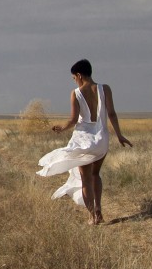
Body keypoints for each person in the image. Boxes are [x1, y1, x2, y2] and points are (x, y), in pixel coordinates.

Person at [37, 58, 133, 225]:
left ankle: (91, 216)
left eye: (74, 77)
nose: (75, 80)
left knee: (85, 178)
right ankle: (99, 211)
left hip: (83, 140)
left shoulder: (76, 93)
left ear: (79, 75)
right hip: (101, 139)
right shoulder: (105, 89)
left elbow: (73, 120)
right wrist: (119, 135)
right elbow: (112, 114)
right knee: (96, 174)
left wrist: (62, 127)